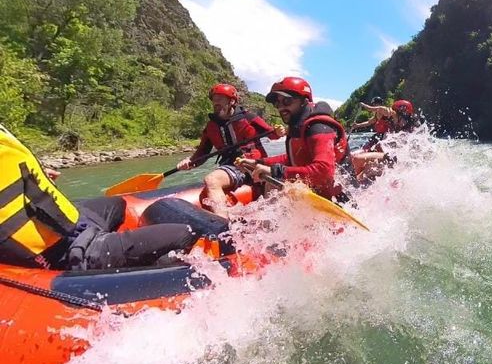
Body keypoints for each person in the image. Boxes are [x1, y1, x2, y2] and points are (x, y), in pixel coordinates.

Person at [0, 124, 202, 270]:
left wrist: (38, 176)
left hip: (72, 222)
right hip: (71, 250)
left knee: (116, 203)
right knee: (186, 232)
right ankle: (134, 275)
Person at [175, 83, 281, 217]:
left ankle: (270, 219)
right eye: (214, 99)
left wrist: (278, 131)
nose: (215, 102)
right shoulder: (211, 126)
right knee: (212, 180)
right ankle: (223, 223)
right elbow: (202, 153)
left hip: (255, 163)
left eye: (220, 99)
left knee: (274, 179)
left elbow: (271, 134)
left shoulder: (249, 117)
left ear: (232, 101)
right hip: (232, 166)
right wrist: (190, 161)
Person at [238, 77, 349, 200]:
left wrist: (276, 171)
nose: (281, 107)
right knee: (271, 182)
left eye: (287, 101)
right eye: (277, 103)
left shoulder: (318, 127)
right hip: (314, 193)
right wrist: (258, 162)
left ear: (304, 101)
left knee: (274, 179)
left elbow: (323, 172)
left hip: (340, 201)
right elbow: (292, 157)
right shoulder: (296, 126)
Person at [349, 99, 420, 182]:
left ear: (405, 115)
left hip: (401, 163)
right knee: (356, 159)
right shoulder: (392, 121)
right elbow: (382, 111)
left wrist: (366, 106)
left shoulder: (414, 131)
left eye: (396, 116)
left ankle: (359, 180)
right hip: (390, 158)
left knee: (369, 168)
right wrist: (357, 125)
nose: (393, 119)